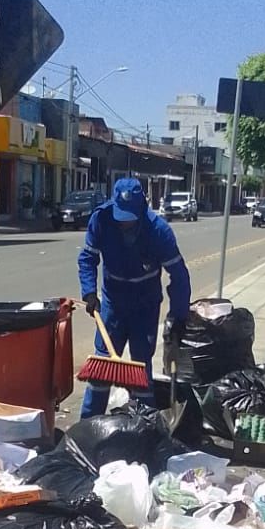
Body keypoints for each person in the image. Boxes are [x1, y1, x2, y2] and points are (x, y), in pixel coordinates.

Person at [78, 176, 191, 417]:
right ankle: (87, 426)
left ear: (142, 206)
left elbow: (179, 275)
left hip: (144, 303)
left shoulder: (159, 231)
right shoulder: (102, 219)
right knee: (102, 367)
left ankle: (145, 424)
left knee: (141, 366)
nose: (124, 223)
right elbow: (87, 259)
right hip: (113, 302)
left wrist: (178, 316)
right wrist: (89, 291)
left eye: (130, 217)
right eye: (121, 216)